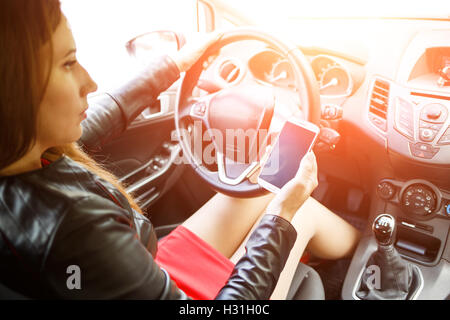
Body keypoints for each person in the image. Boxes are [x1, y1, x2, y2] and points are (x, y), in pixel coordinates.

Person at [0, 0, 361, 300]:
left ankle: (357, 250)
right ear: (13, 93)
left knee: (261, 186)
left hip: (144, 272)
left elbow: (94, 125)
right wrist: (281, 214)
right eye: (67, 63)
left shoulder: (24, 161)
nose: (89, 82)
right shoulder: (72, 227)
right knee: (296, 212)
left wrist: (174, 65)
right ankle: (362, 260)